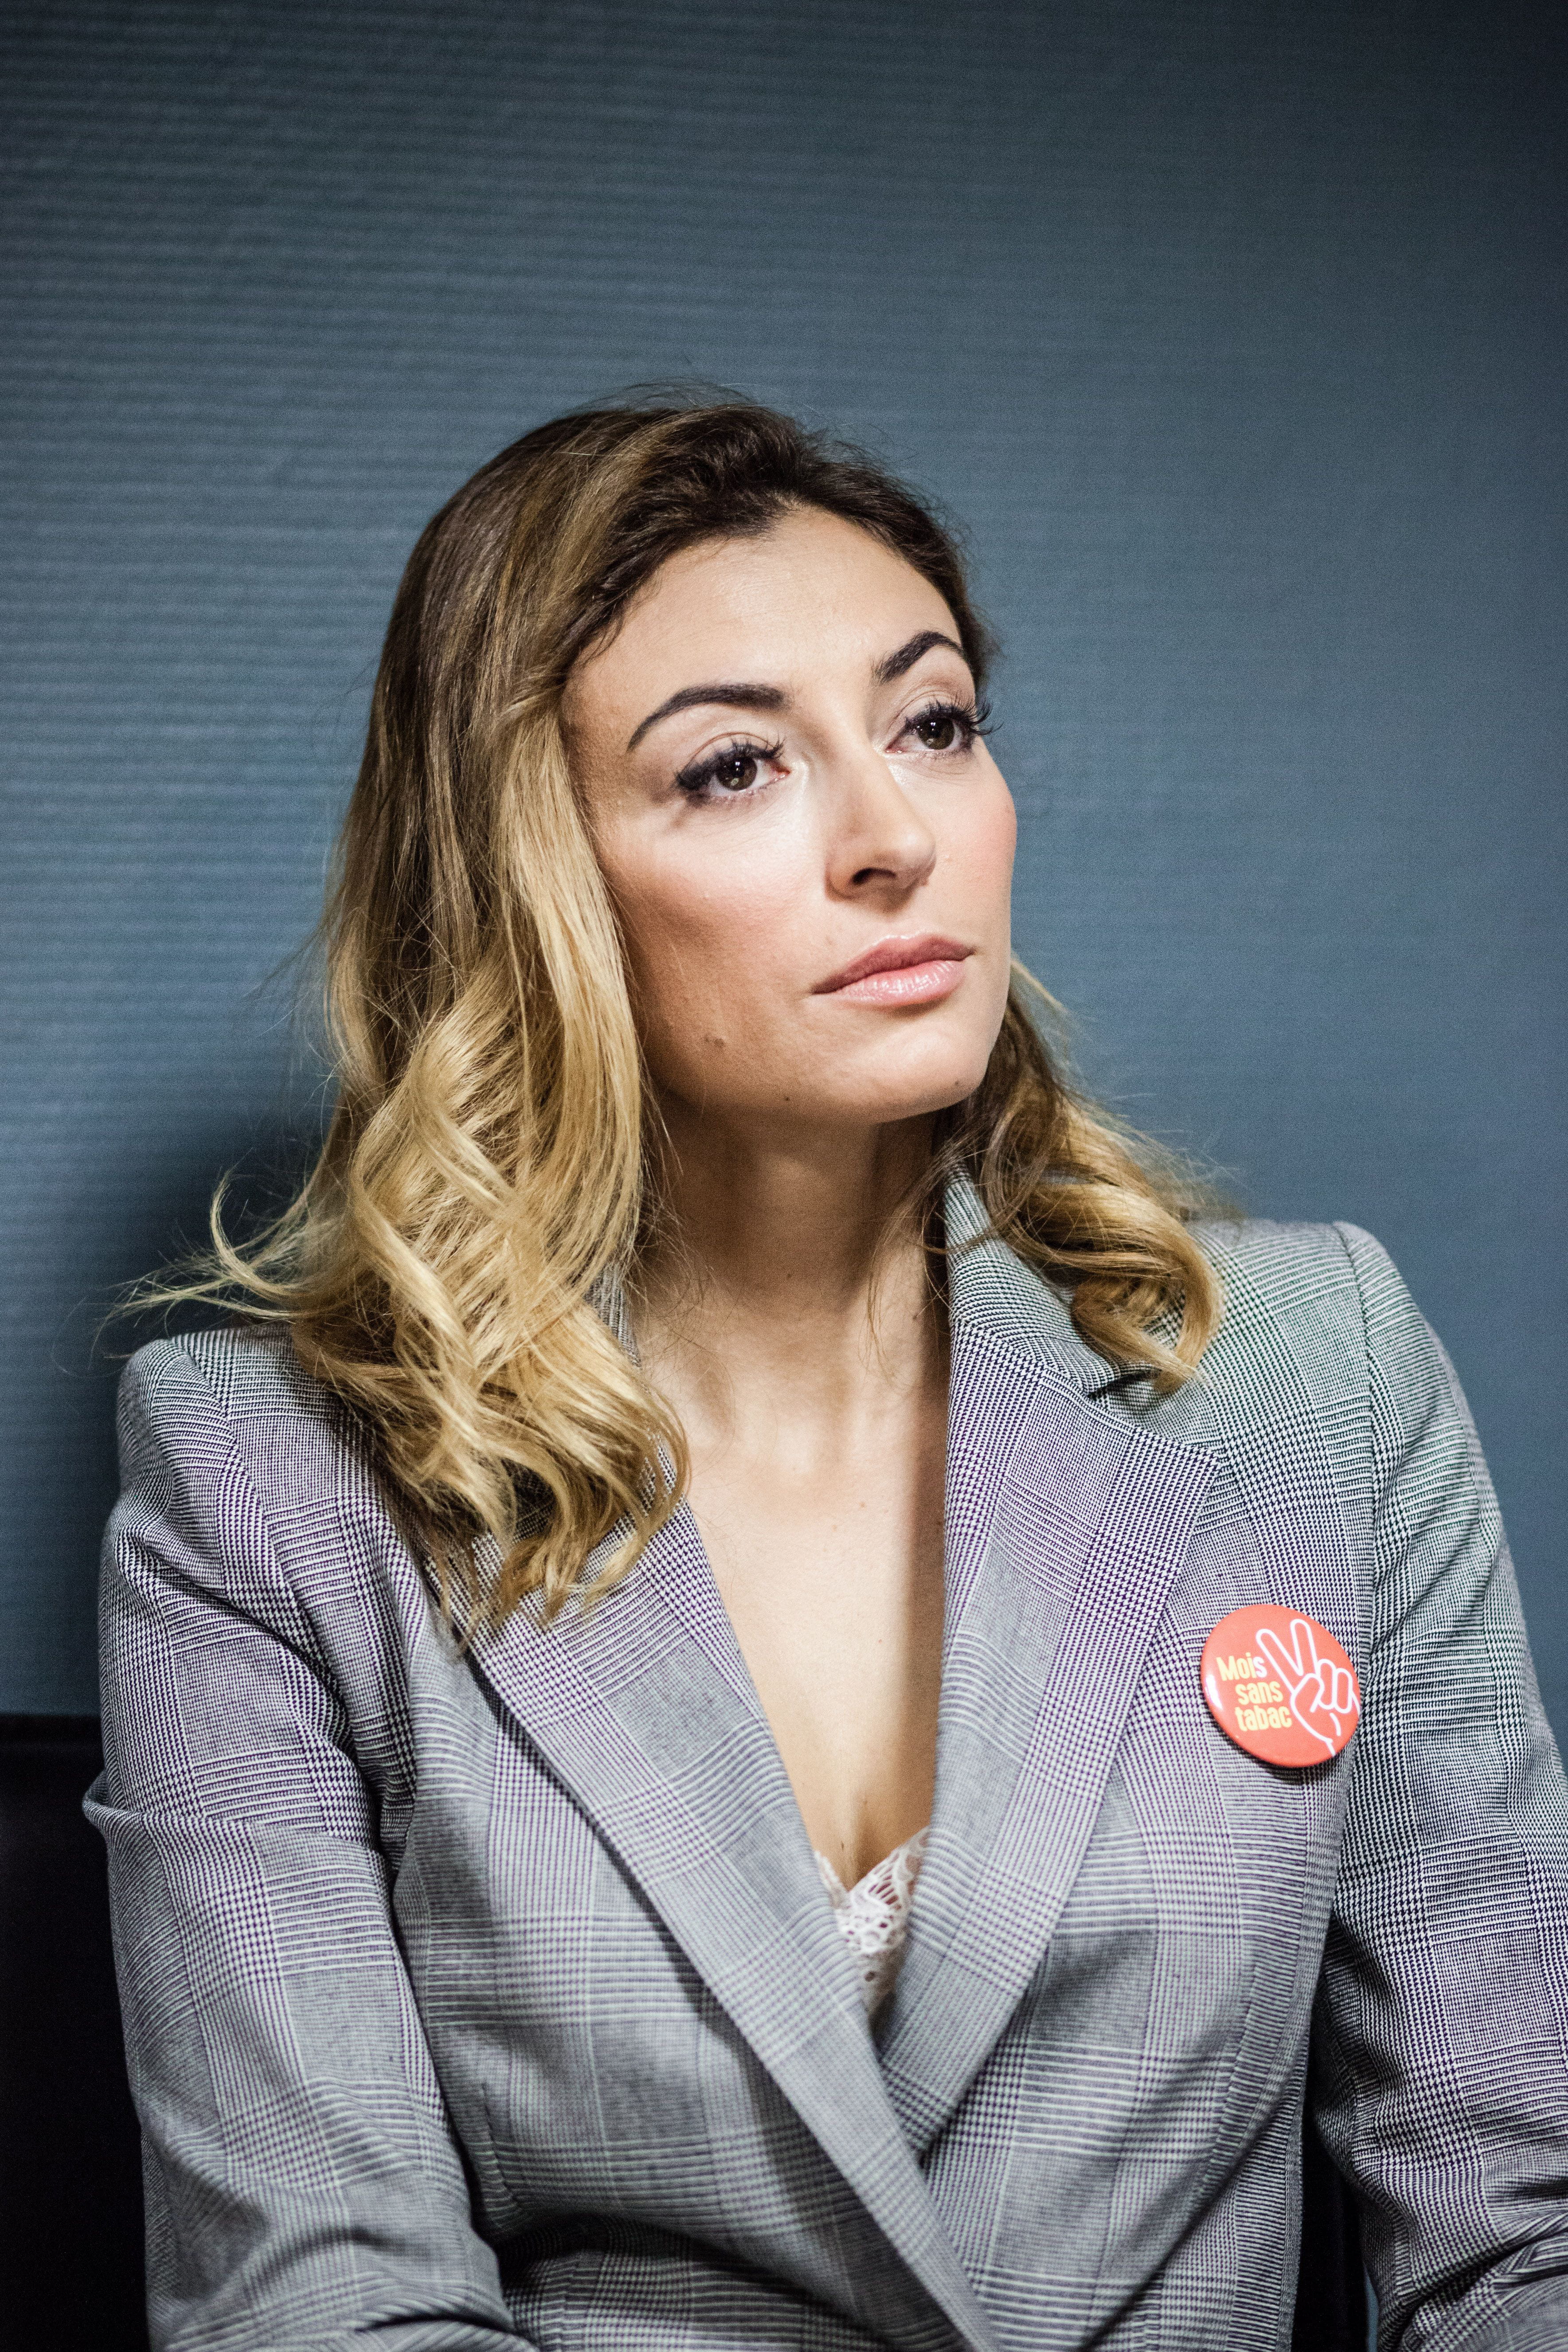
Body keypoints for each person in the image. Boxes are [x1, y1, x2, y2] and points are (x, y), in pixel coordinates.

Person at [90, 399, 1568, 2352]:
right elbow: (323, 2306)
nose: (894, 839)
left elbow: (1521, 2231)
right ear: (535, 882)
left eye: (932, 723)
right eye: (733, 766)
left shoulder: (1321, 1376)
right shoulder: (263, 1481)